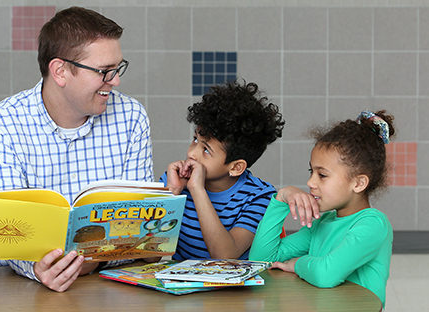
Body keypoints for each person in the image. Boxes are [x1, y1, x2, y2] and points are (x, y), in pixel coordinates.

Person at [0, 6, 153, 291]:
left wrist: (93, 260)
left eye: (117, 68)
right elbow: (6, 233)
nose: (116, 81)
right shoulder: (1, 125)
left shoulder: (132, 116)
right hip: (19, 292)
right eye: (104, 71)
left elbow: (138, 229)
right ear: (60, 71)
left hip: (107, 289)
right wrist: (38, 269)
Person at [249, 110, 394, 307]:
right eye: (311, 171)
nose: (310, 182)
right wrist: (281, 199)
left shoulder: (373, 225)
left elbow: (327, 274)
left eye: (322, 175)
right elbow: (261, 260)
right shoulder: (322, 223)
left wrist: (297, 264)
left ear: (359, 183)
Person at [162, 80, 284, 260]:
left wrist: (197, 190)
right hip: (181, 285)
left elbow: (225, 256)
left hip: (231, 287)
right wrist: (172, 193)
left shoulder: (259, 197)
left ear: (236, 167)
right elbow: (149, 255)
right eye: (195, 139)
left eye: (206, 150)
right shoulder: (175, 180)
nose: (192, 153)